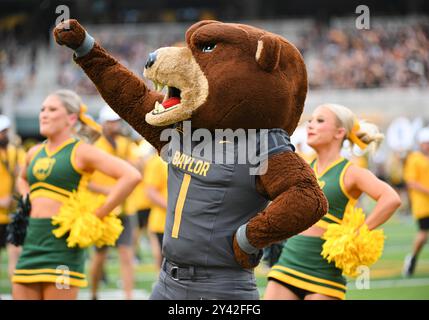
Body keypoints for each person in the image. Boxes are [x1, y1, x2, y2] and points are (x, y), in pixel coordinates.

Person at [11, 90, 141, 300]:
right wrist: (26, 197)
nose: (44, 114)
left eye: (52, 109)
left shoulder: (81, 151)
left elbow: (131, 175)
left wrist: (97, 215)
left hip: (63, 245)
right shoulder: (34, 152)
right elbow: (22, 178)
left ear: (71, 118)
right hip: (32, 241)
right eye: (42, 109)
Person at [264, 103, 401, 300]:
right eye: (310, 121)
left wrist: (358, 232)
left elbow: (391, 199)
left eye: (320, 121)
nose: (310, 125)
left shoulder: (351, 172)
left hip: (325, 271)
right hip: (288, 262)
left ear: (339, 133)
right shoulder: (302, 166)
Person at [88, 105, 139, 300]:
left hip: (126, 208)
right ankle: (93, 293)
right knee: (99, 258)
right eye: (110, 122)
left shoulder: (125, 144)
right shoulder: (94, 146)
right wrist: (110, 190)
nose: (115, 125)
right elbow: (87, 183)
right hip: (103, 209)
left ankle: (129, 296)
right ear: (102, 124)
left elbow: (136, 166)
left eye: (116, 121)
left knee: (126, 256)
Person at [0, 115, 26, 279]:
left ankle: (17, 294)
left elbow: (24, 178)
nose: (4, 135)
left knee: (16, 253)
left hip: (11, 213)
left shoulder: (17, 152)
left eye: (5, 131)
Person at [402, 127, 429, 277]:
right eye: (426, 142)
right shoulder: (414, 158)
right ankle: (412, 258)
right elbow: (411, 181)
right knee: (423, 235)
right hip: (423, 204)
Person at [144, 154, 168, 271]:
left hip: (181, 221)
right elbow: (150, 192)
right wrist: (173, 208)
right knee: (163, 262)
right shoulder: (157, 161)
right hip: (162, 222)